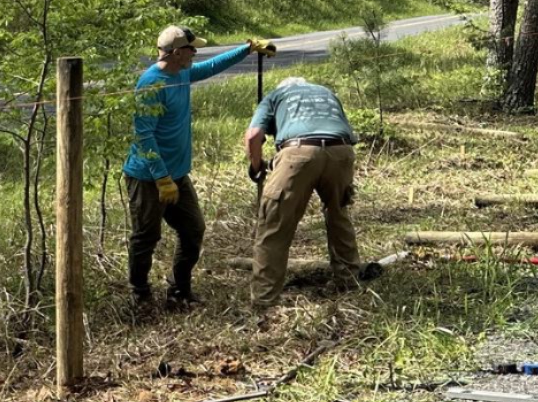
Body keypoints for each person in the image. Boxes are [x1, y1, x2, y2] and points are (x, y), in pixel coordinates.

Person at [124, 25, 276, 304]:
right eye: (192, 49)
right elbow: (143, 135)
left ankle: (179, 289)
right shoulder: (151, 84)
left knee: (193, 229)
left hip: (177, 176)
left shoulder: (182, 73)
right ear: (177, 52)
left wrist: (248, 48)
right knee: (146, 236)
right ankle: (140, 295)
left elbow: (212, 66)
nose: (196, 53)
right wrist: (161, 177)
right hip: (148, 177)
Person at [244, 77, 361, 308]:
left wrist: (256, 166)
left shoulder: (275, 96)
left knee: (274, 224)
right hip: (341, 151)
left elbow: (253, 136)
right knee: (339, 215)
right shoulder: (326, 92)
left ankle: (264, 301)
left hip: (298, 153)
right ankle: (349, 284)